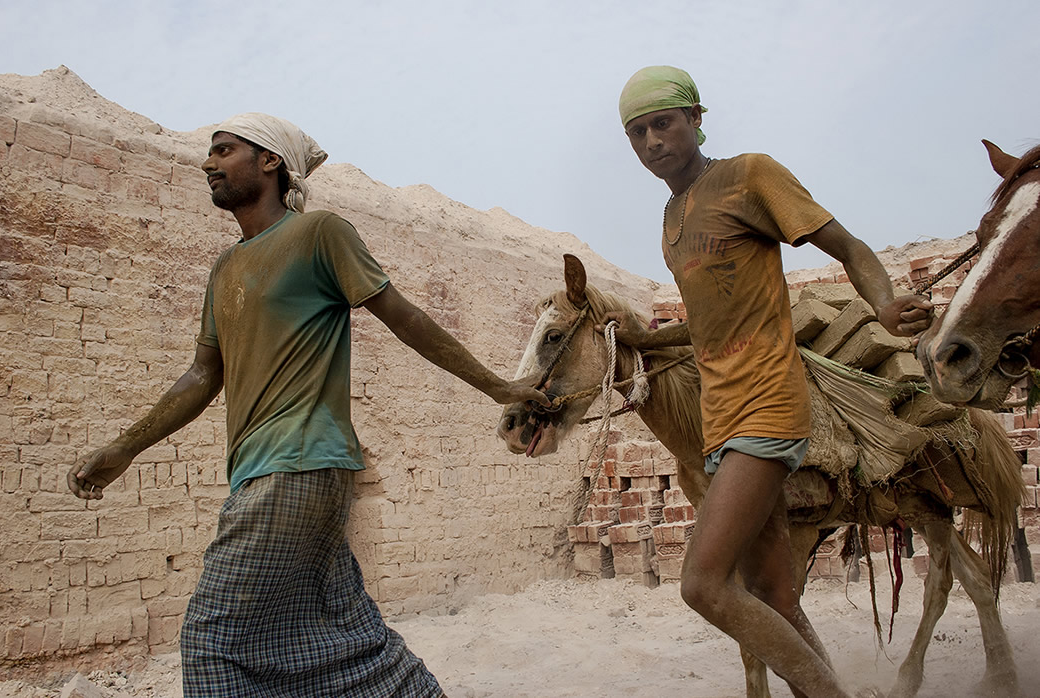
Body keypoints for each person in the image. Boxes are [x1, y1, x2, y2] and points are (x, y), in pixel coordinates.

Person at [67, 113, 548, 697]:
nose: (208, 163)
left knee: (211, 640)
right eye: (210, 153)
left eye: (225, 150)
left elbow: (404, 317)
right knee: (337, 636)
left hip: (295, 463)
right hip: (264, 471)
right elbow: (201, 375)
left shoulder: (319, 233)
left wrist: (497, 386)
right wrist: (124, 448)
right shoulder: (225, 269)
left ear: (270, 161)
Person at [602, 66, 932, 697]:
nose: (652, 142)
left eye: (663, 124)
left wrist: (886, 306)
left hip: (767, 403)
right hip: (718, 417)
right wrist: (643, 340)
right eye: (637, 132)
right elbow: (706, 327)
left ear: (696, 118)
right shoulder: (671, 220)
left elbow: (848, 245)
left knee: (703, 583)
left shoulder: (749, 175)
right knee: (774, 595)